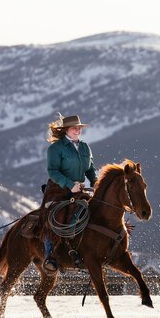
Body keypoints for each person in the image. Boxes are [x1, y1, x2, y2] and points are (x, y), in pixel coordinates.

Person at [41, 114, 97, 272]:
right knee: (54, 217)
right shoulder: (55, 148)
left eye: (79, 128)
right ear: (66, 129)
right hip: (58, 189)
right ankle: (50, 255)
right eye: (74, 127)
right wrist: (69, 184)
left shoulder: (85, 147)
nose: (78, 130)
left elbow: (90, 169)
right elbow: (52, 171)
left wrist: (95, 182)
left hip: (78, 189)